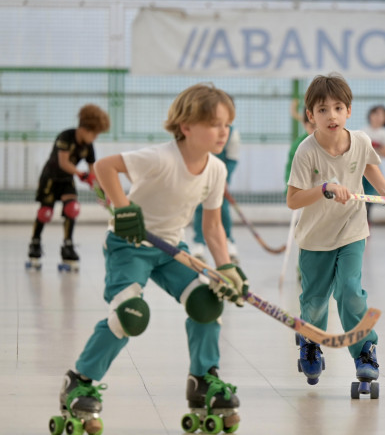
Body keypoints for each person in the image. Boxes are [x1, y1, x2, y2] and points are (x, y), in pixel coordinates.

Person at [52, 83, 249, 434]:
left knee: (207, 303)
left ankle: (203, 380)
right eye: (215, 123)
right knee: (131, 315)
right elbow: (104, 167)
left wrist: (226, 269)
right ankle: (79, 380)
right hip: (128, 246)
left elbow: (214, 226)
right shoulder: (160, 158)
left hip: (171, 249)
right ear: (186, 127)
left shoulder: (216, 170)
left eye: (227, 124)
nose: (224, 131)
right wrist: (122, 207)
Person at [286, 74, 385, 388]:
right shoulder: (306, 151)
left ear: (349, 111)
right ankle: (311, 342)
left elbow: (368, 165)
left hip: (352, 230)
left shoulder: (360, 141)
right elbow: (293, 199)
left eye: (338, 108)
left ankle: (365, 351)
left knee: (350, 292)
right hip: (315, 237)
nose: (332, 115)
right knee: (314, 300)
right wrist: (324, 188)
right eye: (323, 109)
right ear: (311, 115)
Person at [27, 104, 110, 270]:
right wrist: (82, 175)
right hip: (50, 178)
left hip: (66, 180)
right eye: (94, 133)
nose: (95, 138)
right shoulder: (66, 136)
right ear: (84, 129)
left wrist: (101, 192)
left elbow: (93, 173)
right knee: (46, 213)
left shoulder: (88, 146)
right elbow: (63, 162)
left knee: (72, 209)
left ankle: (68, 245)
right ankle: (35, 243)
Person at [190, 123, 241, 264]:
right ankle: (198, 243)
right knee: (201, 207)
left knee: (222, 207)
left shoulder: (232, 133)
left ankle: (229, 241)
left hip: (221, 175)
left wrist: (224, 178)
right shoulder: (200, 129)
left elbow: (232, 159)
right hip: (201, 173)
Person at [360, 105, 385, 224]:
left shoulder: (384, 134)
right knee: (360, 190)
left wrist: (375, 146)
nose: (378, 117)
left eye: (381, 115)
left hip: (375, 165)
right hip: (362, 166)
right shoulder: (364, 131)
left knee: (371, 190)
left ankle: (367, 216)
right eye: (375, 114)